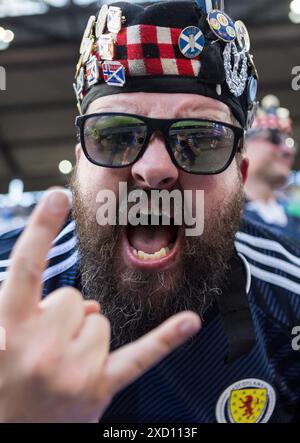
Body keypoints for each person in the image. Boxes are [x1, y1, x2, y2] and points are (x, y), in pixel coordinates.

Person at [0, 0, 299, 423]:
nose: (154, 170)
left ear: (240, 174)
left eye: (201, 139)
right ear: (80, 164)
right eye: (115, 135)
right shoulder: (5, 302)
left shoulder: (291, 302)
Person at [244, 95, 300, 243]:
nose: (289, 151)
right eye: (274, 139)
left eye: (288, 142)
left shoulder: (295, 219)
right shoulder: (223, 218)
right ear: (243, 146)